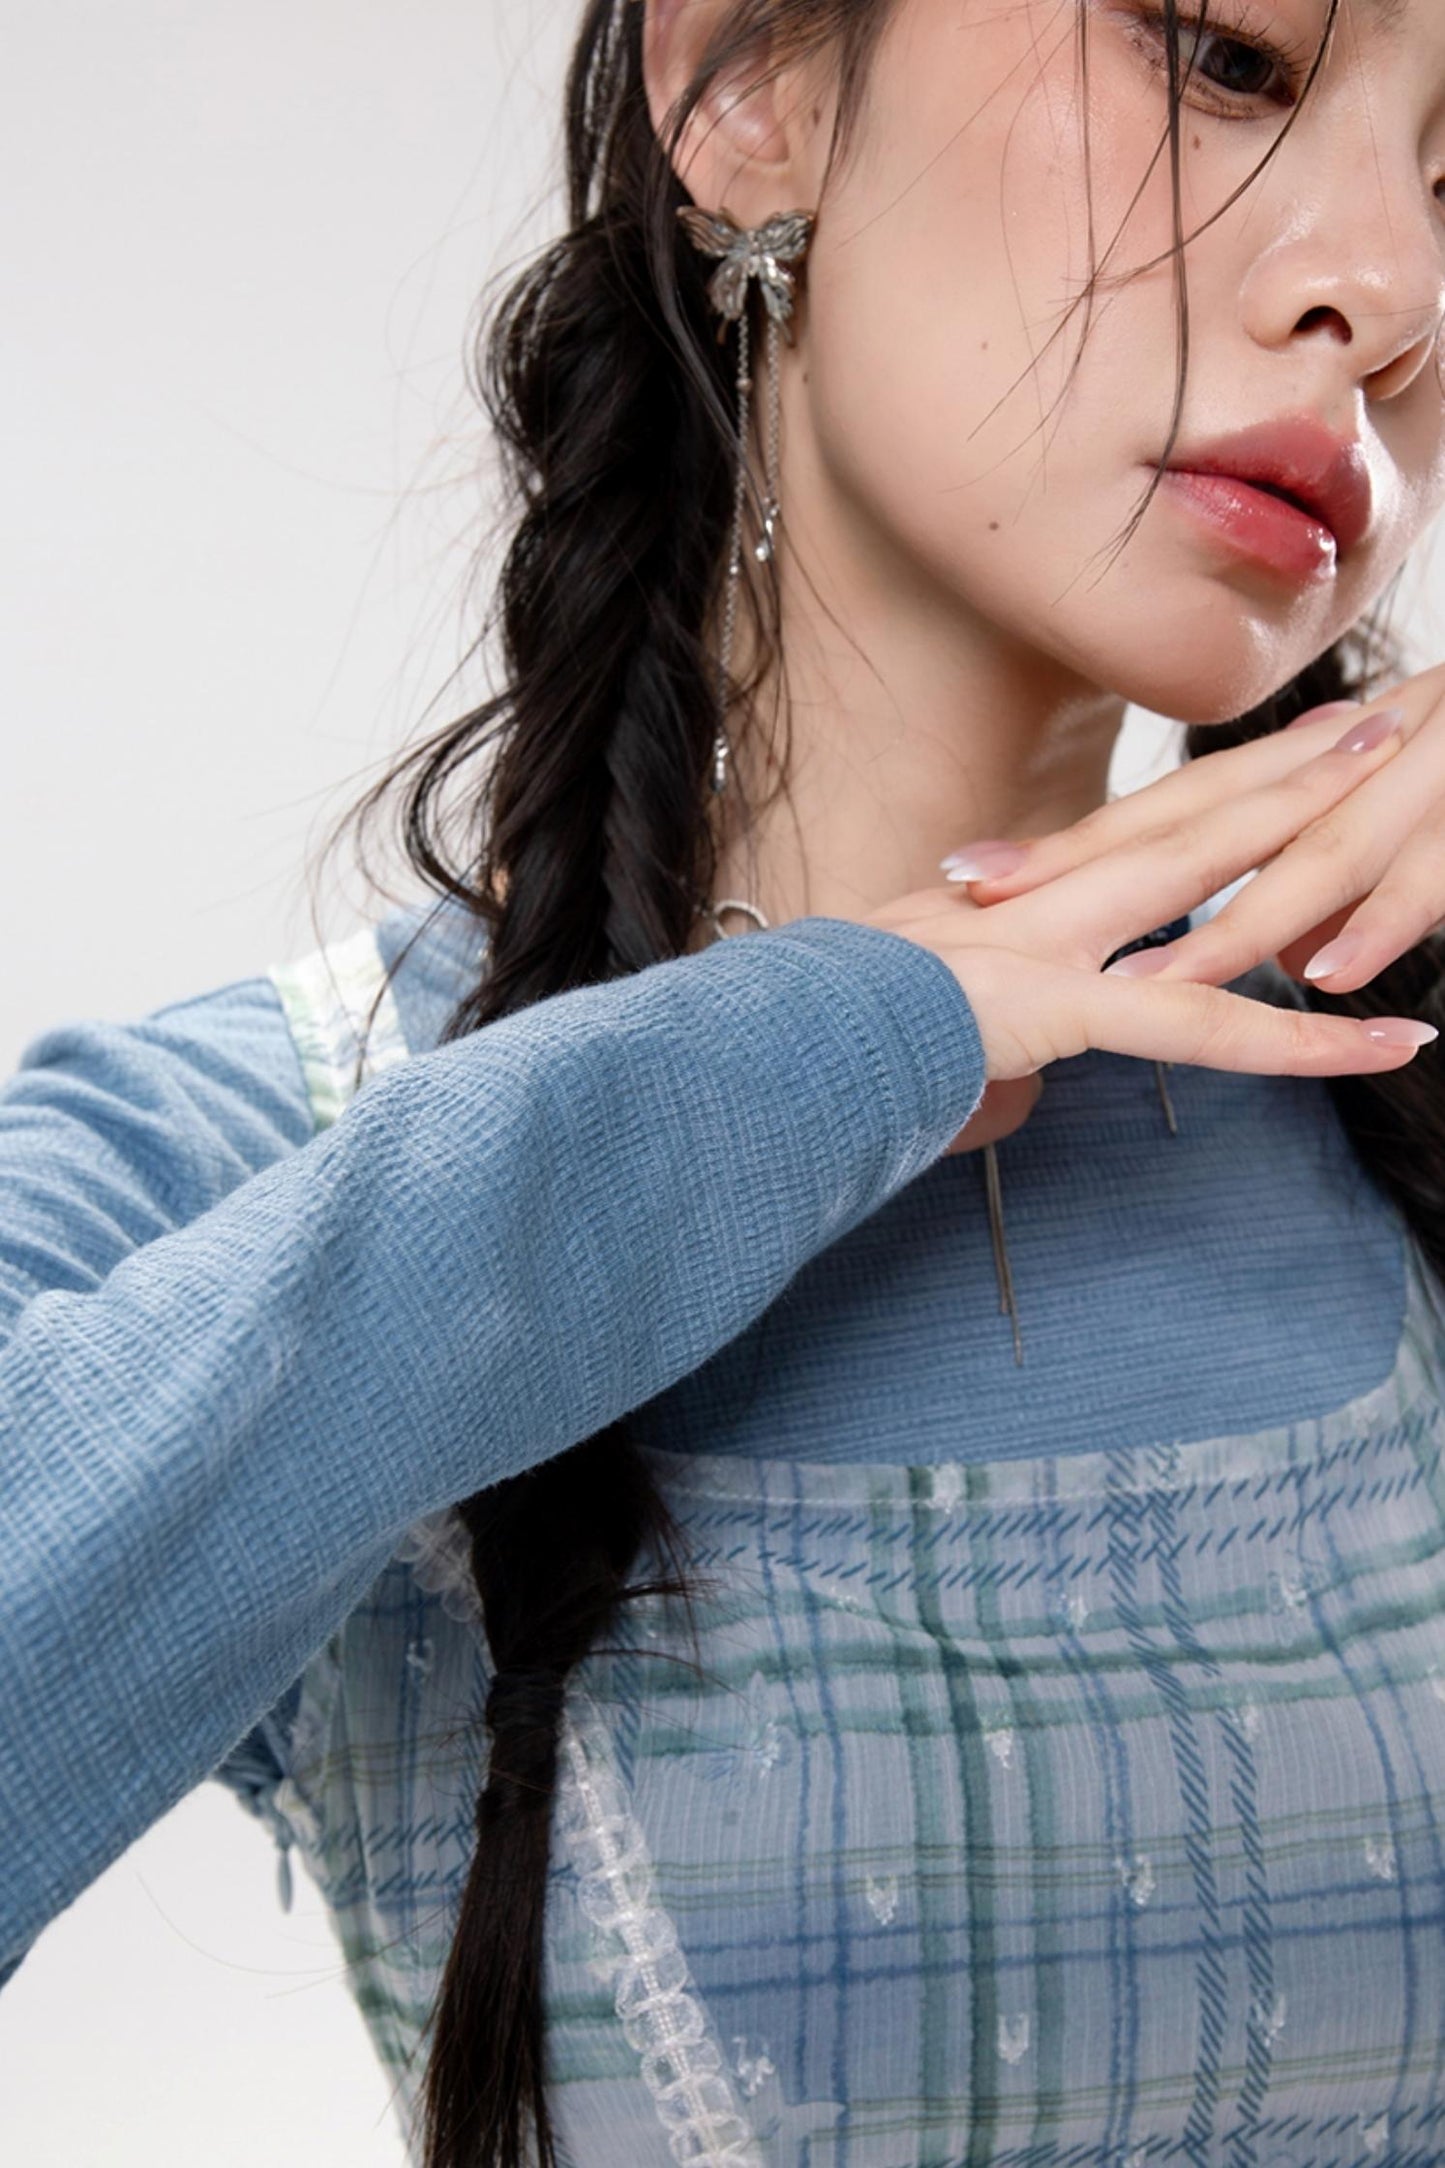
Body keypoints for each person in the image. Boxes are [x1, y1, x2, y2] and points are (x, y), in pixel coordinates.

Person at [7, 0, 1445, 2161]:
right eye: (1230, 55)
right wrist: (803, 1064)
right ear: (750, 82)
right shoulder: (264, 1136)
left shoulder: (1406, 1102)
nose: (1391, 298)